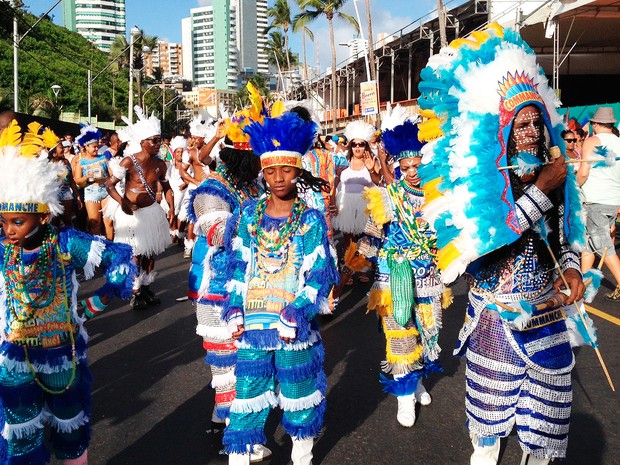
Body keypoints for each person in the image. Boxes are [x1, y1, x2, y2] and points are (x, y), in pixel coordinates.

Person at [418, 25, 586, 465]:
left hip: (547, 314)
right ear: (504, 127)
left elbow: (567, 235)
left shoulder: (556, 174)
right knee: (488, 432)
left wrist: (571, 270)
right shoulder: (481, 184)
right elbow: (488, 244)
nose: (531, 130)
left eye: (536, 120)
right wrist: (539, 192)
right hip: (496, 316)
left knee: (545, 429)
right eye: (521, 122)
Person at [0, 120, 136, 465]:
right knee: (21, 437)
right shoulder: (3, 251)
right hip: (14, 357)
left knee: (70, 431)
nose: (9, 230)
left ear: (44, 218)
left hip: (61, 353)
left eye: (18, 222)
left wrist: (92, 305)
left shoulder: (66, 244)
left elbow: (118, 258)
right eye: (4, 222)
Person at [222, 112, 338, 465]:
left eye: (286, 170)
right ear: (262, 172)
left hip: (293, 329)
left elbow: (320, 274)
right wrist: (232, 307)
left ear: (298, 171)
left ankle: (302, 455)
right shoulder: (247, 215)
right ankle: (240, 456)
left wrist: (297, 310)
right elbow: (237, 267)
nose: (277, 178)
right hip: (253, 327)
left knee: (298, 394)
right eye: (270, 171)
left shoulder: (309, 219)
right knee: (246, 396)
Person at [354, 113, 451, 427]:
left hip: (428, 278)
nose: (412, 173)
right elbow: (370, 237)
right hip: (393, 277)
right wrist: (353, 264)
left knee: (428, 332)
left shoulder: (442, 199)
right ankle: (404, 396)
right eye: (405, 167)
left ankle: (416, 379)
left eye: (417, 165)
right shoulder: (388, 196)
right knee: (400, 338)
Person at [105, 107, 174, 310]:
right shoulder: (129, 161)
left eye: (159, 139)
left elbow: (167, 187)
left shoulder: (161, 164)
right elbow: (109, 185)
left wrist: (170, 207)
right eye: (154, 140)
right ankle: (135, 291)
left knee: (150, 252)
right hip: (131, 215)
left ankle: (146, 287)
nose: (158, 144)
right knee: (135, 253)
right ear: (143, 142)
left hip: (152, 212)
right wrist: (123, 202)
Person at [577, 107, 620, 300]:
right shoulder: (619, 142)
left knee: (602, 245)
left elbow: (584, 172)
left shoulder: (592, 141)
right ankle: (583, 286)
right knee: (589, 244)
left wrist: (574, 187)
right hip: (612, 200)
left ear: (595, 124)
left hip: (596, 199)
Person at [179, 116, 226, 259]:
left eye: (196, 138)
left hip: (215, 191)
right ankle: (189, 246)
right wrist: (194, 182)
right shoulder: (192, 152)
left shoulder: (217, 152)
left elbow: (207, 159)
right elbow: (183, 171)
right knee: (191, 219)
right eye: (192, 137)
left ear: (203, 138)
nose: (193, 140)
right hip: (197, 189)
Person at [73, 125, 109, 235]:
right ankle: (98, 247)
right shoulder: (81, 162)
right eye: (94, 147)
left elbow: (111, 175)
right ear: (86, 147)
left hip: (106, 192)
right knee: (95, 223)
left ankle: (111, 245)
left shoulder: (103, 158)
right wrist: (86, 177)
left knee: (108, 222)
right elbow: (77, 180)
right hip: (91, 193)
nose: (96, 149)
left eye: (97, 146)